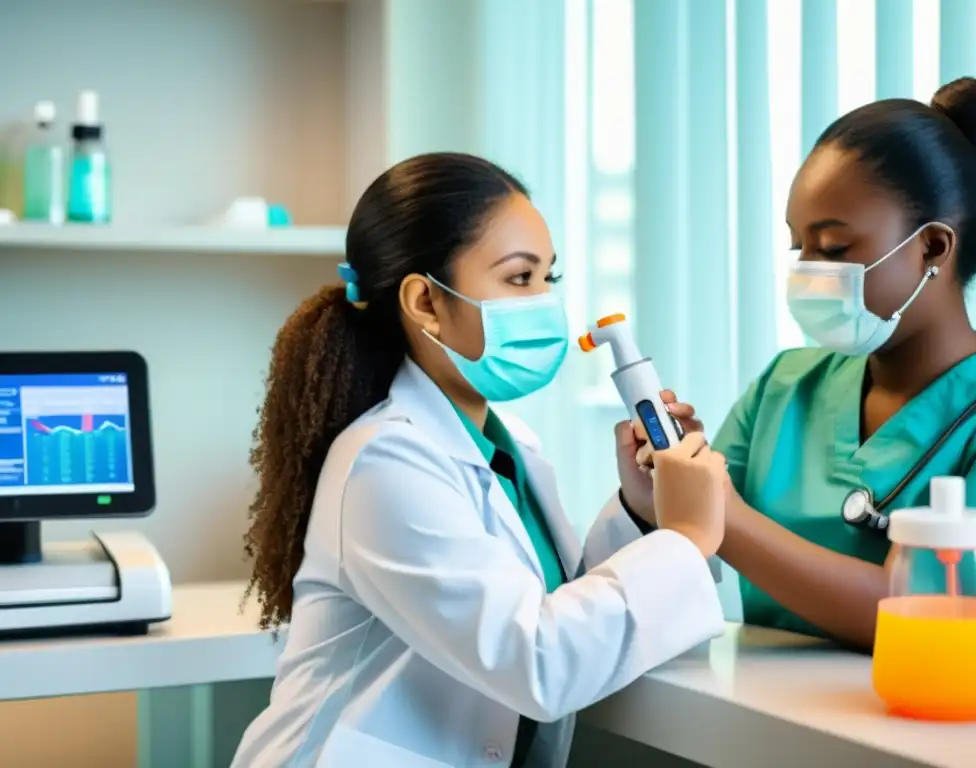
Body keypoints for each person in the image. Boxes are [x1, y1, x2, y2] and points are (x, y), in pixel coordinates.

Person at [232, 152, 728, 768]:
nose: (546, 302)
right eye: (519, 278)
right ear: (426, 301)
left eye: (549, 277)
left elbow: (551, 605)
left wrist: (641, 512)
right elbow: (535, 661)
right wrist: (687, 539)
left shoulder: (510, 446)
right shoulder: (384, 463)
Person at [620, 76, 976, 651]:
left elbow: (945, 618)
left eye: (833, 248)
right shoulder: (784, 386)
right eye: (799, 248)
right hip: (750, 703)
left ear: (932, 247)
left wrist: (720, 513)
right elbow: (691, 561)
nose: (809, 270)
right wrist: (659, 499)